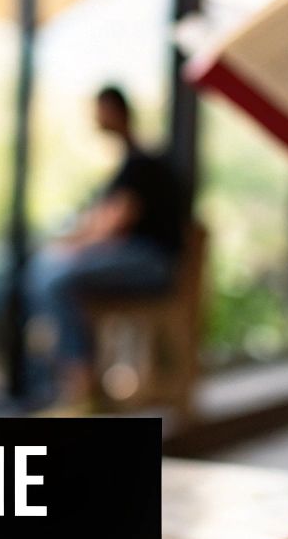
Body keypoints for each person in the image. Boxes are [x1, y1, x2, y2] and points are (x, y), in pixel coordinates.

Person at [25, 86, 186, 409]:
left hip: (153, 263)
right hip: (142, 258)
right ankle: (66, 380)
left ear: (115, 111)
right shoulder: (132, 162)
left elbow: (115, 223)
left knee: (54, 276)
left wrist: (72, 245)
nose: (95, 119)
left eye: (99, 110)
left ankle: (78, 382)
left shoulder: (141, 163)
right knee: (45, 271)